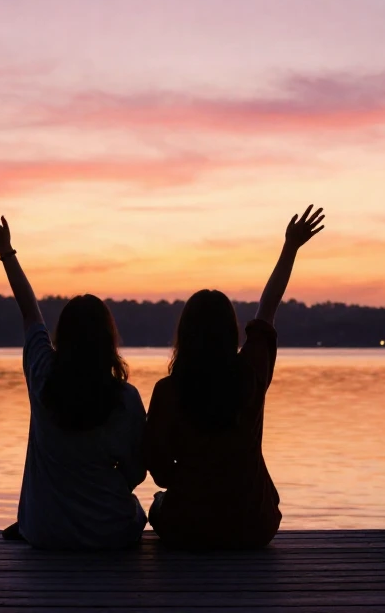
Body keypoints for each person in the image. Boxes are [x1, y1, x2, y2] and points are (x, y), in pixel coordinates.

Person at [143, 204, 325, 549]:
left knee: (157, 503)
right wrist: (290, 247)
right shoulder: (250, 374)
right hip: (252, 526)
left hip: (189, 528)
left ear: (185, 333)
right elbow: (267, 309)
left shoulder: (167, 391)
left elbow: (162, 472)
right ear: (230, 333)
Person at [0, 208, 147, 550]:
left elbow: (29, 311)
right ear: (107, 340)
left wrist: (6, 251)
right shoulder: (125, 398)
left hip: (45, 531)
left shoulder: (42, 376)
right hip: (111, 531)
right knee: (141, 510)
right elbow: (137, 472)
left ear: (62, 337)